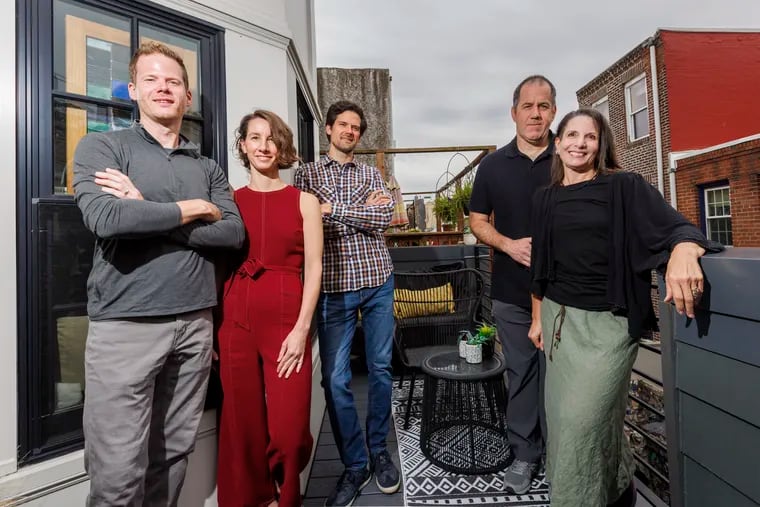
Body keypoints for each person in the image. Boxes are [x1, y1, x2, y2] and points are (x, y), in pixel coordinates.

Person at [72, 41, 244, 505]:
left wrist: (147, 208)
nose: (163, 88)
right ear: (133, 89)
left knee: (172, 456)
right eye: (151, 79)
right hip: (125, 327)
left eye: (173, 81)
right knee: (117, 474)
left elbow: (231, 235)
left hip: (194, 325)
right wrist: (190, 211)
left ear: (187, 95)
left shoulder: (206, 166)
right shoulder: (102, 147)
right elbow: (109, 220)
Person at [528, 109, 722, 507]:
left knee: (582, 427)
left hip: (608, 329)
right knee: (571, 425)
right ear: (558, 142)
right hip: (558, 322)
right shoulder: (545, 197)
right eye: (572, 135)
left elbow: (676, 226)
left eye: (590, 137)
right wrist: (537, 318)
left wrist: (684, 249)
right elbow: (540, 270)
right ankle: (619, 491)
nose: (580, 143)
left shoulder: (624, 187)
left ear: (601, 145)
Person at [294, 100, 401, 506]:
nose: (350, 132)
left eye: (356, 127)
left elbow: (385, 217)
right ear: (328, 129)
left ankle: (378, 451)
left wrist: (333, 209)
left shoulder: (372, 171)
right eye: (343, 125)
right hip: (333, 287)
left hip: (377, 281)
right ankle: (354, 464)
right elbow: (307, 224)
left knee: (380, 369)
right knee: (334, 380)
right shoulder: (305, 174)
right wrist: (359, 211)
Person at [215, 110, 323, 507]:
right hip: (234, 315)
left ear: (282, 147)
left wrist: (301, 329)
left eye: (271, 138)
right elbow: (216, 264)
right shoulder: (227, 199)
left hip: (284, 315)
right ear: (242, 145)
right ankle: (253, 500)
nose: (263, 146)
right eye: (254, 137)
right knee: (241, 424)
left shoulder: (305, 201)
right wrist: (213, 328)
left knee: (290, 432)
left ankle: (286, 497)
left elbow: (314, 268)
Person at [468, 75, 556, 493]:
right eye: (527, 106)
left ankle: (563, 454)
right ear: (514, 112)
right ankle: (525, 455)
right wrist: (507, 244)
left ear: (553, 110)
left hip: (567, 295)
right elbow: (477, 220)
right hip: (511, 293)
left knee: (563, 379)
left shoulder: (571, 156)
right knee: (521, 375)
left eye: (543, 105)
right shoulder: (493, 165)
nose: (535, 114)